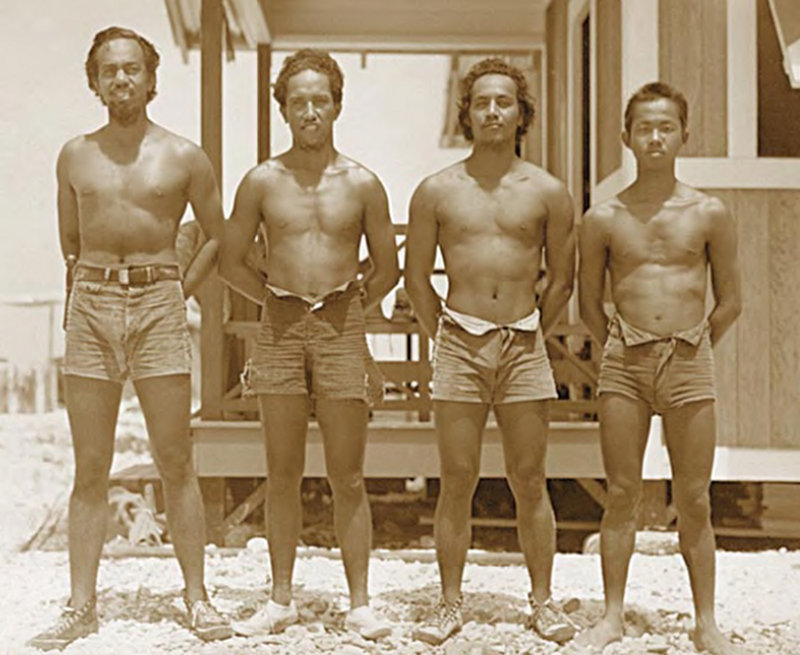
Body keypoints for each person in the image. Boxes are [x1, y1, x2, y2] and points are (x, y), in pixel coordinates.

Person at [27, 27, 231, 650]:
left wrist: (180, 292)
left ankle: (197, 599)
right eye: (110, 70)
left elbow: (218, 234)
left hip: (159, 302)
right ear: (95, 82)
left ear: (151, 78)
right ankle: (80, 606)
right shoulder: (74, 155)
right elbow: (71, 238)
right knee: (91, 465)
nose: (122, 79)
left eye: (133, 69)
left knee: (175, 459)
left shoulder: (185, 156)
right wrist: (88, 290)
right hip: (90, 302)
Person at [219, 49, 399, 640]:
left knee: (349, 474)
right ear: (284, 110)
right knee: (282, 471)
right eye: (298, 101)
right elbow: (230, 259)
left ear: (337, 104)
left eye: (320, 99)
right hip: (281, 325)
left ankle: (360, 603)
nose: (310, 110)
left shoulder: (363, 183)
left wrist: (348, 304)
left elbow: (389, 268)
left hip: (343, 325)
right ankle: (279, 600)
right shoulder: (262, 181)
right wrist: (275, 294)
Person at [404, 57, 577, 646]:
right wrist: (445, 335)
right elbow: (416, 278)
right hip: (458, 343)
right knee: (457, 477)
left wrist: (531, 331)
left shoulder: (550, 192)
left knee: (530, 478)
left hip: (524, 344)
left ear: (521, 113)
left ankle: (544, 601)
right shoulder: (436, 191)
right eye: (481, 103)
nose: (493, 111)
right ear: (467, 115)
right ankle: (449, 603)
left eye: (504, 101)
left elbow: (561, 280)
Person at [577, 82, 743, 655]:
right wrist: (624, 347)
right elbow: (588, 305)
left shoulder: (708, 212)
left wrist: (692, 343)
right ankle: (613, 615)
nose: (654, 137)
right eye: (643, 127)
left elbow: (731, 300)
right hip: (625, 364)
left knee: (694, 496)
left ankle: (705, 622)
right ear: (626, 136)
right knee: (622, 491)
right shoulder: (602, 217)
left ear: (683, 135)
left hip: (690, 363)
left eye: (665, 127)